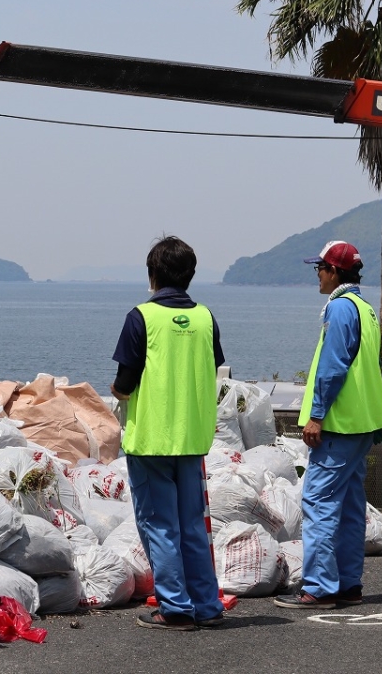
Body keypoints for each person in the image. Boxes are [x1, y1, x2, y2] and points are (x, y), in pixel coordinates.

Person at [110, 236, 225, 631]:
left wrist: (117, 392)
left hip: (152, 439)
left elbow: (125, 381)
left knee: (160, 525)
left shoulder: (141, 317)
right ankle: (207, 606)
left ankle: (175, 608)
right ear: (190, 275)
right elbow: (214, 369)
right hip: (192, 439)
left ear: (153, 274)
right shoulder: (206, 318)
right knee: (193, 525)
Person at [274, 240, 382, 610]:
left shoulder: (339, 308)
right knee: (352, 506)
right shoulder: (365, 308)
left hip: (339, 424)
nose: (317, 276)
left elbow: (333, 367)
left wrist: (317, 415)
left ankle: (320, 587)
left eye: (320, 269)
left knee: (319, 500)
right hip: (363, 424)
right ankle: (349, 584)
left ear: (335, 271)